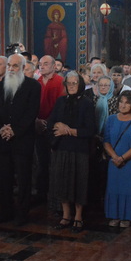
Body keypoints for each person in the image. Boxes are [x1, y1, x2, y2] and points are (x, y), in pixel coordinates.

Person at [0, 53, 41, 226]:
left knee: (24, 179)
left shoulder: (33, 86)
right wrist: (1, 128)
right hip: (3, 140)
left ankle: (22, 213)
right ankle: (6, 211)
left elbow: (31, 112)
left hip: (22, 140)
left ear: (23, 68)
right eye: (9, 65)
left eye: (15, 66)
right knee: (3, 178)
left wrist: (15, 131)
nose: (11, 69)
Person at [48, 71, 95, 232]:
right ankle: (66, 215)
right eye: (69, 83)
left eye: (75, 83)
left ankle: (78, 217)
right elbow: (51, 122)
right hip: (61, 147)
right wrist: (58, 126)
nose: (72, 86)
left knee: (79, 182)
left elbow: (90, 130)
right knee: (62, 182)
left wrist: (68, 130)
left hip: (79, 149)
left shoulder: (87, 103)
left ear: (80, 84)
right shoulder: (61, 101)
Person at [103, 91, 131, 229]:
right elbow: (106, 141)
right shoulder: (111, 119)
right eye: (121, 102)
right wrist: (115, 157)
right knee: (114, 187)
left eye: (127, 103)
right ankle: (115, 215)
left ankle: (128, 216)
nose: (123, 105)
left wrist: (122, 158)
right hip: (114, 162)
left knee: (130, 188)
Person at [35, 55, 65, 202]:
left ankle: (55, 195)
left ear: (54, 66)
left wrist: (48, 122)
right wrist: (37, 121)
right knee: (41, 162)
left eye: (46, 64)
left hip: (54, 127)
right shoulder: (37, 82)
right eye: (40, 64)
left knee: (55, 163)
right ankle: (41, 193)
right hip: (38, 127)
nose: (42, 66)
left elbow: (60, 105)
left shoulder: (60, 82)